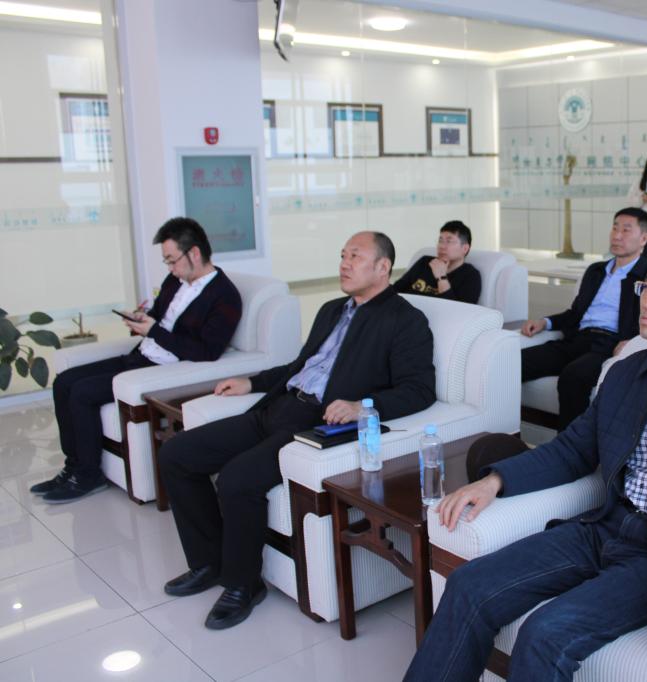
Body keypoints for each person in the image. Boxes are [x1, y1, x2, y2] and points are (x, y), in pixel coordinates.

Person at [404, 249, 647, 682]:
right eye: (646, 288)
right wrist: (495, 480)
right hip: (605, 527)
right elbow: (573, 449)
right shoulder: (626, 372)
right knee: (469, 585)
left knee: (545, 633)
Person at [158, 231, 436, 630]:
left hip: (315, 423)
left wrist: (362, 406)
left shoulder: (404, 320)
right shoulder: (331, 310)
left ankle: (242, 584)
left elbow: (419, 389)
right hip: (276, 408)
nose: (344, 264)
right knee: (177, 454)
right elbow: (301, 366)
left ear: (383, 267)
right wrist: (252, 382)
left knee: (237, 479)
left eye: (355, 257)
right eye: (342, 255)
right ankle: (208, 563)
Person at [32, 217, 242, 504]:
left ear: (194, 253)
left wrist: (153, 331)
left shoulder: (225, 296)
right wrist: (141, 320)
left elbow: (207, 351)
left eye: (171, 260)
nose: (169, 268)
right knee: (64, 382)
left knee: (82, 392)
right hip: (141, 355)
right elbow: (159, 316)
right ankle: (73, 467)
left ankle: (88, 475)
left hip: (160, 369)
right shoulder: (175, 281)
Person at [520, 207, 647, 430]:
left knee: (573, 377)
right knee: (513, 362)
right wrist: (545, 322)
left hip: (609, 344)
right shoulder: (596, 270)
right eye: (615, 228)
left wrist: (632, 342)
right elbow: (575, 313)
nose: (617, 235)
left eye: (626, 230)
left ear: (644, 239)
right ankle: (505, 435)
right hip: (577, 339)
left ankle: (569, 449)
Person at [393, 220, 482, 304]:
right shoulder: (425, 261)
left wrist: (441, 278)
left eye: (449, 241)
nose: (442, 246)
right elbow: (396, 289)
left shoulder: (470, 276)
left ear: (465, 248)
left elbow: (459, 311)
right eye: (440, 240)